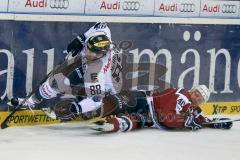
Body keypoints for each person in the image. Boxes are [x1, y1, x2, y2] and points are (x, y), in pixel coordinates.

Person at [12, 22, 119, 121]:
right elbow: (101, 24)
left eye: (91, 52)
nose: (86, 52)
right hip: (86, 66)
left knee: (82, 96)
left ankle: (73, 109)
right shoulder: (102, 33)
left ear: (101, 55)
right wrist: (81, 38)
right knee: (57, 82)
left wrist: (76, 108)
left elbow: (96, 101)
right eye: (87, 48)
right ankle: (30, 101)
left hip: (105, 88)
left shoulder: (96, 73)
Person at [91, 85, 233, 132]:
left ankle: (110, 125)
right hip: (143, 101)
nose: (196, 98)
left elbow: (202, 120)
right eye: (196, 94)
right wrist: (185, 122)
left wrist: (216, 123)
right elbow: (166, 117)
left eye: (200, 99)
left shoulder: (193, 110)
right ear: (192, 90)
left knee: (132, 123)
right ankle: (86, 109)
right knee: (114, 104)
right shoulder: (182, 95)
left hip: (150, 118)